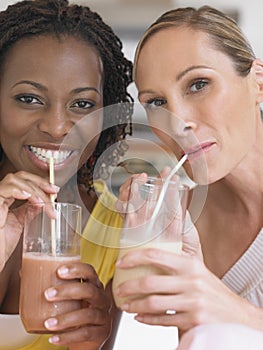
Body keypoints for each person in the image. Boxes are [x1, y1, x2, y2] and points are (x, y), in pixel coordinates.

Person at [114, 5, 263, 349]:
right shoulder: (170, 222)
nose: (177, 121)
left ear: (257, 81)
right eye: (156, 102)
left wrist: (231, 309)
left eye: (198, 84)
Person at [0, 0, 133, 349]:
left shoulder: (117, 228)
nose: (58, 127)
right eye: (29, 99)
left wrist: (94, 342)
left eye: (83, 104)